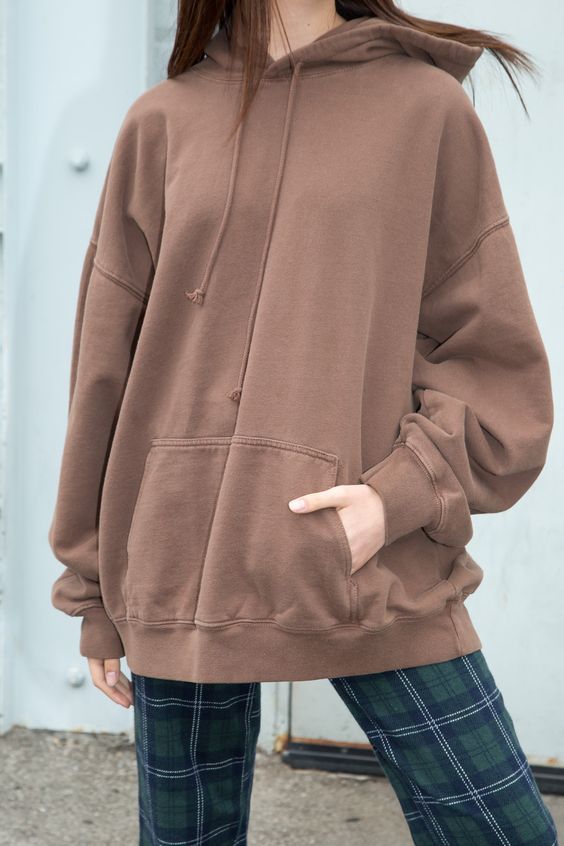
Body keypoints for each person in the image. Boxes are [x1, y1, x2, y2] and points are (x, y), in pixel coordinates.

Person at [47, 1, 558, 843]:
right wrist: (93, 590)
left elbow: (494, 360)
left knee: (501, 830)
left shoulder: (424, 109)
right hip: (180, 565)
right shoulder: (162, 121)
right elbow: (104, 373)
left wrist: (394, 500)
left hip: (366, 561)